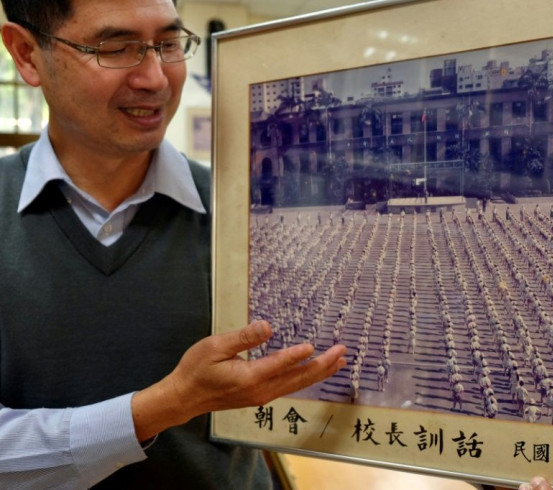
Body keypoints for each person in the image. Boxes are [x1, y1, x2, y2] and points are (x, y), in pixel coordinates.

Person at [0, 1, 348, 488]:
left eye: (168, 44)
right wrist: (166, 405)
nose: (156, 79)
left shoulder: (244, 209)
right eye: (115, 48)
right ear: (26, 54)